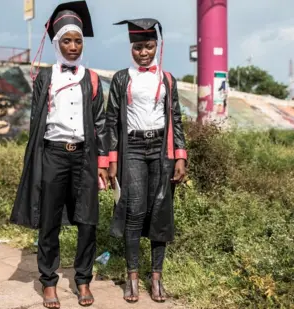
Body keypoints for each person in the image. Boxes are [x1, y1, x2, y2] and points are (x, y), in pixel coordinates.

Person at [10, 1, 109, 308]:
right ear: (57, 43)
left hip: (84, 157)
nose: (73, 46)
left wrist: (103, 164)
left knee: (87, 221)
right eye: (67, 40)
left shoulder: (92, 79)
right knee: (49, 221)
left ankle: (83, 280)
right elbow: (35, 120)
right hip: (53, 155)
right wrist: (37, 161)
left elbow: (101, 122)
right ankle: (49, 282)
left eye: (78, 40)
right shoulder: (44, 77)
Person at [106, 18, 188, 303]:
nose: (144, 52)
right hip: (134, 149)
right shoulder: (121, 78)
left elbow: (175, 117)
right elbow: (111, 121)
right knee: (136, 209)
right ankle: (132, 277)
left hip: (161, 149)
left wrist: (180, 155)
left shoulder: (167, 79)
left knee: (160, 211)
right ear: (131, 48)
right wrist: (112, 159)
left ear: (157, 46)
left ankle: (156, 278)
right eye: (138, 47)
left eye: (149, 46)